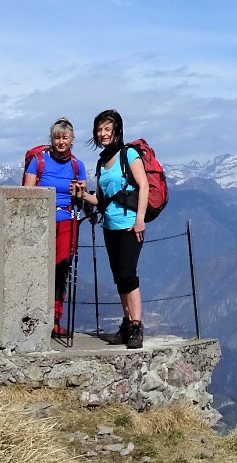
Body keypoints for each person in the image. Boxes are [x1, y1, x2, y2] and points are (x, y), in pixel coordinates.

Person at [73, 109, 149, 350]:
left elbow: (144, 185)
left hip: (129, 226)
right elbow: (102, 199)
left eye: (107, 129)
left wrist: (140, 220)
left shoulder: (130, 154)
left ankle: (136, 326)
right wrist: (83, 194)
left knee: (128, 275)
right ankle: (128, 325)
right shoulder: (102, 162)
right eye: (99, 130)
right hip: (110, 225)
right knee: (119, 277)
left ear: (117, 130)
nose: (102, 134)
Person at [23, 118, 87, 337]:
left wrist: (79, 194)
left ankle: (54, 319)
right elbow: (28, 192)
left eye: (65, 137)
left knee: (61, 269)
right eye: (57, 137)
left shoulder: (78, 166)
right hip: (42, 221)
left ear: (72, 140)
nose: (61, 141)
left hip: (67, 220)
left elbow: (82, 195)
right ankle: (35, 318)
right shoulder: (38, 161)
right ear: (51, 139)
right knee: (39, 268)